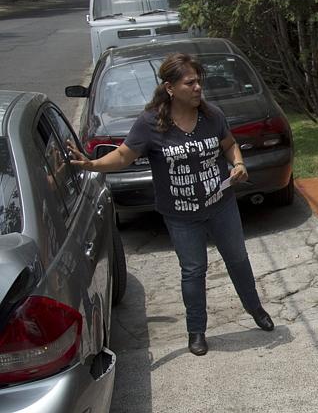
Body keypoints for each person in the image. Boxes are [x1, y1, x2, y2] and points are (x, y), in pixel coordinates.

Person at [68, 53, 274, 356]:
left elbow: (228, 144)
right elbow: (125, 155)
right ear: (170, 87)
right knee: (193, 270)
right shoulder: (151, 122)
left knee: (238, 261)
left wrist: (239, 164)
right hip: (181, 214)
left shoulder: (212, 115)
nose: (197, 87)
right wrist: (93, 164)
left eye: (198, 81)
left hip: (221, 204)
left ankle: (256, 310)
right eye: (190, 82)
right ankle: (197, 331)